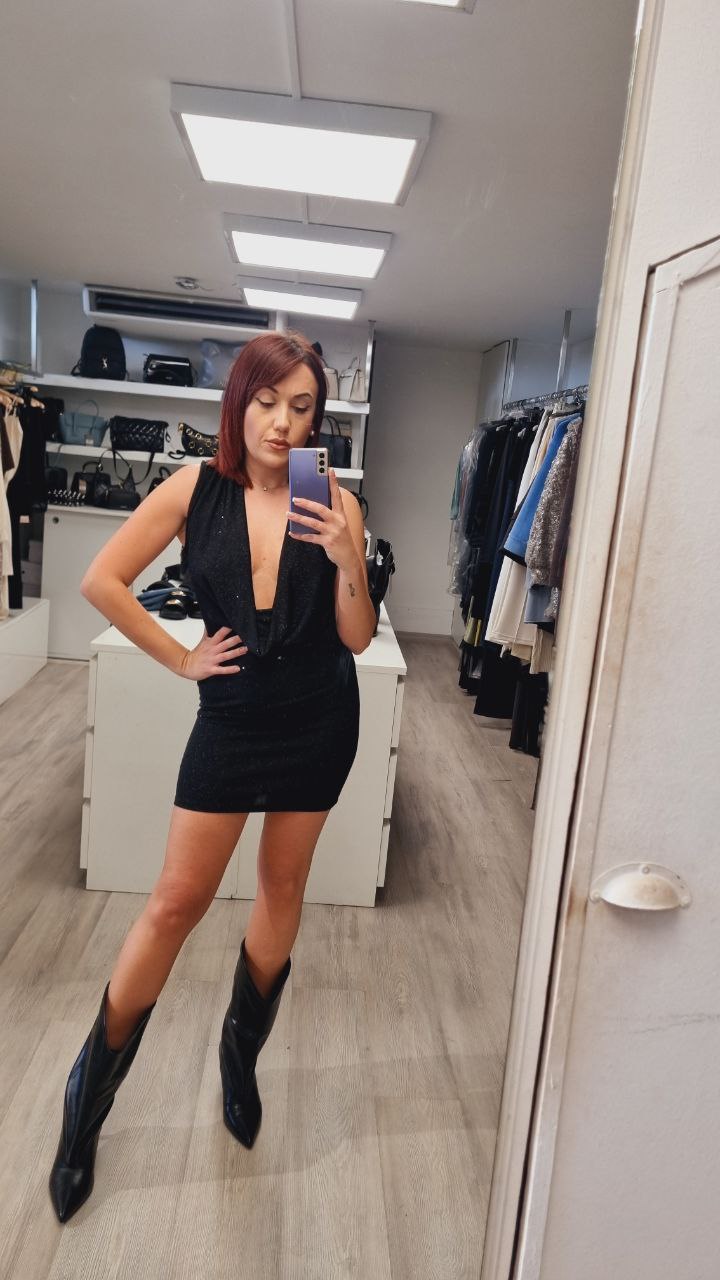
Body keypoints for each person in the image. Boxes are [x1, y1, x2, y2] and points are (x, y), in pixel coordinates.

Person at [48, 330, 377, 1223]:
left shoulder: (332, 500)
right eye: (267, 402)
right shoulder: (195, 489)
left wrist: (349, 559)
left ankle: (240, 1059)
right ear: (239, 403)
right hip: (232, 720)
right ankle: (86, 1107)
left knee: (282, 886)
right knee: (173, 904)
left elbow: (354, 636)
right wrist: (182, 658)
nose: (282, 423)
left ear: (317, 418)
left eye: (302, 408)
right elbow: (104, 580)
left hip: (319, 717)